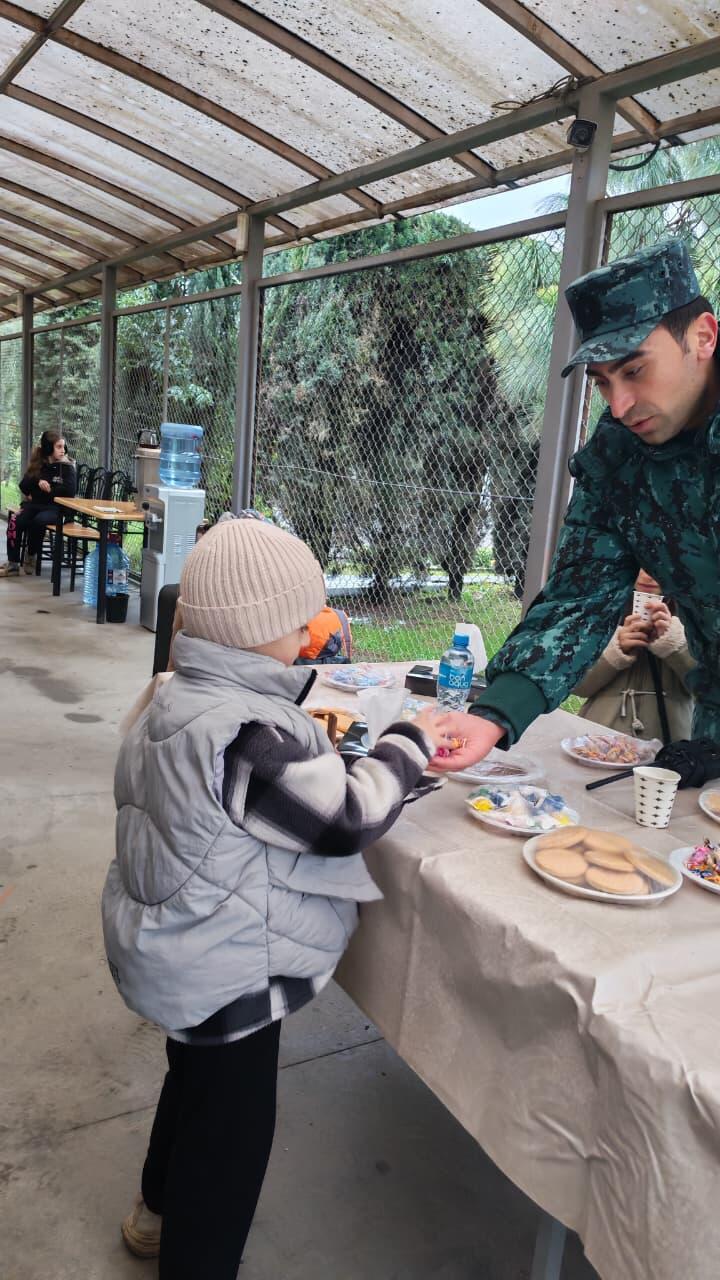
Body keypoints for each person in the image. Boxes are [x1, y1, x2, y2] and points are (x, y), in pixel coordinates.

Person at [102, 517, 451, 1280]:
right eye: (302, 620)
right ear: (259, 633)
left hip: (177, 951)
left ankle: (153, 1209)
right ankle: (196, 1260)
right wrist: (407, 745)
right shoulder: (249, 736)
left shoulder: (175, 693)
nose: (314, 632)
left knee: (189, 1082)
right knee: (229, 1140)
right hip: (227, 968)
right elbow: (345, 818)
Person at [430, 238, 720, 770]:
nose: (620, 404)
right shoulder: (618, 454)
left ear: (702, 336)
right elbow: (580, 593)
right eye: (603, 382)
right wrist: (496, 713)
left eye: (633, 370)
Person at [573, 568, 694, 742]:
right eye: (639, 565)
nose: (646, 575)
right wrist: (615, 650)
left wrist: (676, 643)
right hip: (600, 739)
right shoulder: (601, 606)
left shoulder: (700, 613)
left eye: (655, 566)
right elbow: (579, 687)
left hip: (669, 744)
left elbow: (708, 688)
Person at [0, 430, 76, 577]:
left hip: (56, 508)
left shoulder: (67, 467)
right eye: (59, 447)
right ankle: (13, 564)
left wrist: (49, 490)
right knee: (16, 520)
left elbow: (69, 491)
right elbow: (24, 485)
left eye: (63, 447)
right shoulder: (39, 464)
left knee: (39, 521)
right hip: (35, 505)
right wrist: (38, 481)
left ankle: (31, 554)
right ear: (49, 448)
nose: (63, 450)